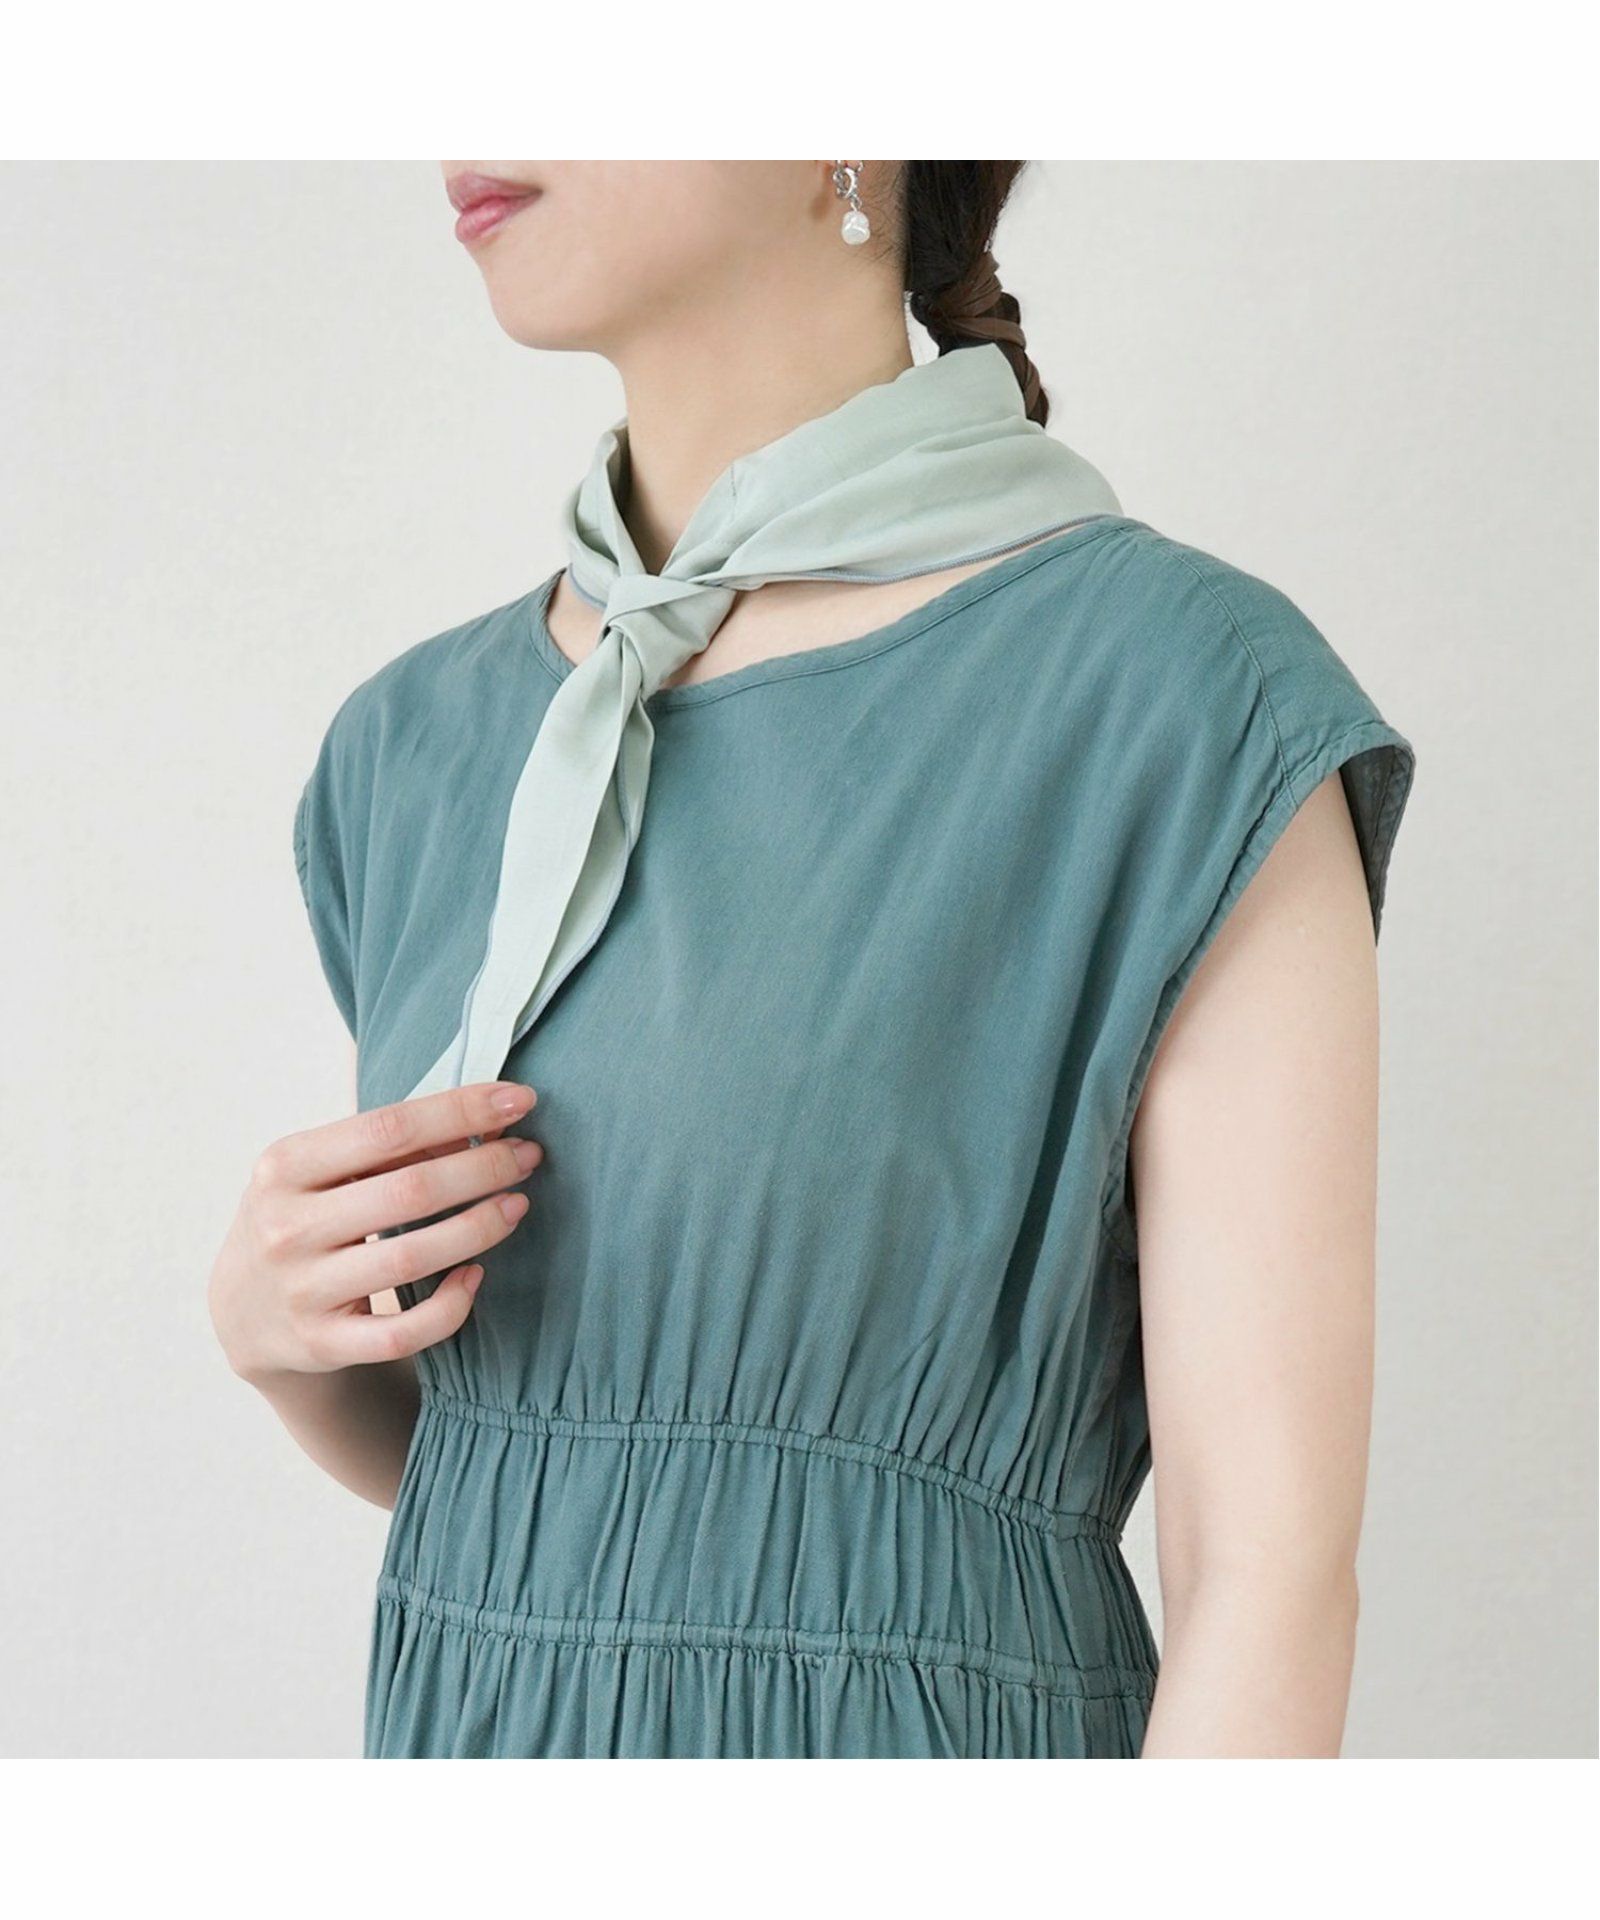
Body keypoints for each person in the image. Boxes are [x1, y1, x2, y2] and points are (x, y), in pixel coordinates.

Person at [207, 161, 1416, 1758]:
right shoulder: (411, 750)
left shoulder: (1179, 705)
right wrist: (281, 1349)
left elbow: (1268, 1584)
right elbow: (566, 1491)